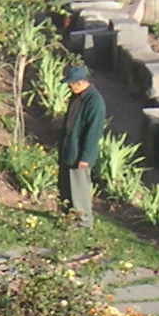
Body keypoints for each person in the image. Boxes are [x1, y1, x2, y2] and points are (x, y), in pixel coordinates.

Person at [57, 62, 106, 225]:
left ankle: (84, 221)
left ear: (80, 82)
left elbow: (93, 133)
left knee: (79, 189)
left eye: (71, 84)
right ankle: (69, 216)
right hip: (69, 149)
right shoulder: (77, 97)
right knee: (66, 186)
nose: (69, 87)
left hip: (80, 154)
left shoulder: (94, 102)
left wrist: (85, 157)